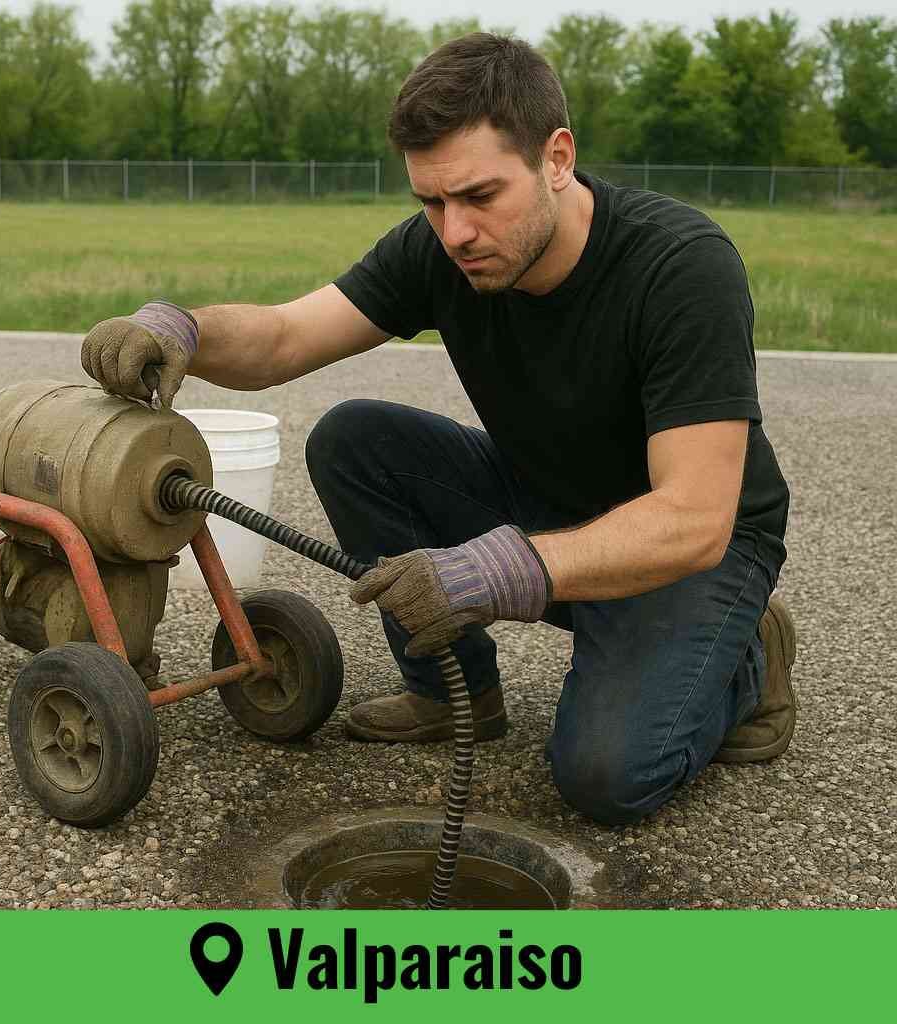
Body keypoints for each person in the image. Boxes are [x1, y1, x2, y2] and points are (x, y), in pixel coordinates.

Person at [80, 33, 796, 826]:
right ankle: (455, 694)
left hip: (695, 549)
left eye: (481, 196)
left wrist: (494, 570)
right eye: (432, 201)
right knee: (354, 442)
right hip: (548, 495)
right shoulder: (443, 249)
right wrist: (181, 327)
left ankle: (744, 656)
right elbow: (284, 337)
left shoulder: (680, 267)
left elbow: (694, 519)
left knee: (606, 777)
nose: (455, 232)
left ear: (557, 158)